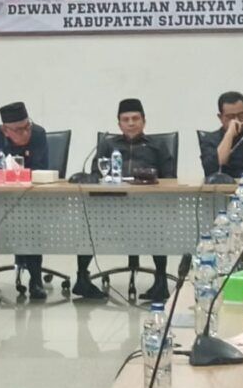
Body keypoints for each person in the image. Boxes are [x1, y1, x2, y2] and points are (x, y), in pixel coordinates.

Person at [73, 99, 175, 301]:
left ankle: (161, 281)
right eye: (125, 119)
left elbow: (170, 178)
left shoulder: (157, 145)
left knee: (158, 223)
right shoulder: (108, 145)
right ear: (118, 124)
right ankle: (82, 279)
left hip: (148, 208)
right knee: (87, 223)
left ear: (144, 121)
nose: (131, 123)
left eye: (135, 118)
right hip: (110, 207)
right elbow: (96, 174)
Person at [0, 102, 50, 301]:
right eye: (18, 130)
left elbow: (41, 168)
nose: (25, 133)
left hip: (31, 201)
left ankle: (36, 280)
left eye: (27, 126)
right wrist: (5, 174)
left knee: (32, 225)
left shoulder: (38, 134)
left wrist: (17, 174)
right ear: (5, 130)